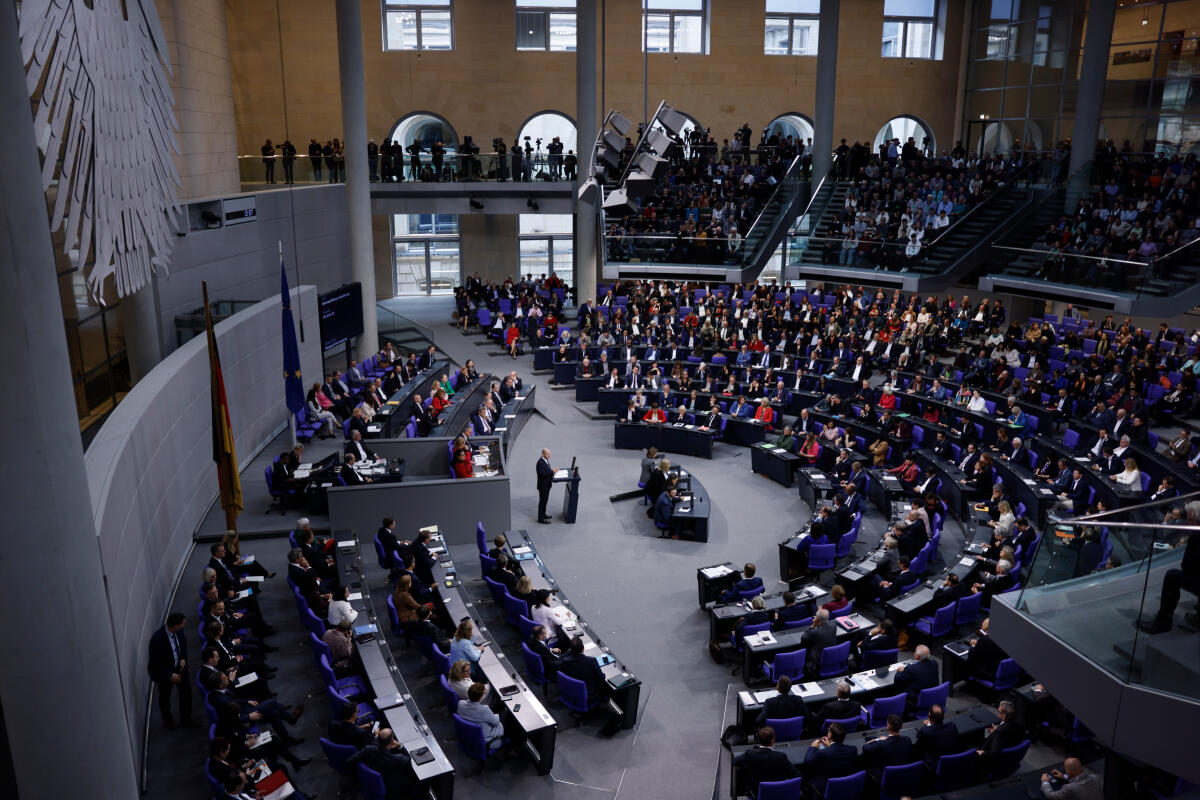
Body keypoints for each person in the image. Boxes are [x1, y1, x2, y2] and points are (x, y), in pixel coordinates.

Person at [1136, 500, 1200, 633]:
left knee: (1172, 576)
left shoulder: (1196, 536)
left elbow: (1187, 567)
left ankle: (1163, 622)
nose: (1187, 521)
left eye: (1189, 517)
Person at [148, 612, 195, 728]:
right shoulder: (157, 639)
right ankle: (168, 722)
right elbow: (155, 663)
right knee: (165, 697)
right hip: (165, 673)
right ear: (174, 625)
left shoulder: (179, 631)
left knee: (186, 694)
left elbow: (183, 645)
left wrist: (183, 658)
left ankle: (186, 719)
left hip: (180, 667)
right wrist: (169, 675)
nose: (183, 626)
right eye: (181, 624)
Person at [345, 728, 417, 799]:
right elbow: (408, 759)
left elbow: (349, 761)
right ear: (392, 741)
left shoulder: (368, 749)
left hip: (371, 784)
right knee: (413, 777)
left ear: (378, 740)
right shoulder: (398, 758)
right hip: (392, 789)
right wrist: (399, 745)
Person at [732, 726, 798, 798]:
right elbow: (796, 774)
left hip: (757, 792)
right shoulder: (781, 757)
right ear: (773, 740)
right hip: (779, 793)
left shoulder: (750, 754)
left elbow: (735, 761)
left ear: (759, 740)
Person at [803, 721, 859, 795]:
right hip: (846, 788)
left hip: (826, 789)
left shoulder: (823, 753)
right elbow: (837, 753)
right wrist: (831, 747)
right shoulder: (853, 750)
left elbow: (808, 761)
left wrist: (813, 747)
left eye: (828, 730)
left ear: (829, 735)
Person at [861, 714, 914, 779]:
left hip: (888, 777)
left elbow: (865, 747)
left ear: (888, 726)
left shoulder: (881, 744)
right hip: (905, 775)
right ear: (901, 726)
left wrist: (877, 739)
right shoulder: (907, 740)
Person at [457, 683, 505, 753]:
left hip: (469, 737)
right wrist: (496, 715)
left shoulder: (460, 703)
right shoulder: (484, 710)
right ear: (480, 698)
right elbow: (496, 722)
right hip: (487, 743)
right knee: (502, 720)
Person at [977, 700, 1025, 768]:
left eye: (999, 712)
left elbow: (993, 754)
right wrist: (997, 730)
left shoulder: (1000, 732)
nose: (998, 714)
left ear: (1004, 715)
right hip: (1009, 749)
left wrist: (982, 753)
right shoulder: (1020, 725)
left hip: (992, 760)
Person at [893, 644, 939, 712]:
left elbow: (897, 679)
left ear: (917, 656)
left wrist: (902, 670)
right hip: (931, 697)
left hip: (915, 700)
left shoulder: (911, 669)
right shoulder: (934, 663)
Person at [916, 704, 960, 770]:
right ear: (944, 716)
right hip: (953, 761)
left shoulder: (925, 731)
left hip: (935, 765)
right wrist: (929, 725)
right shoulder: (952, 726)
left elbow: (919, 738)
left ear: (929, 716)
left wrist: (928, 726)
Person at [801, 609, 837, 678]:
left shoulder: (814, 632)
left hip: (817, 660)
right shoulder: (833, 626)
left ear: (817, 619)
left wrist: (812, 626)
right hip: (831, 656)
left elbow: (803, 640)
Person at [536, 448, 554, 523]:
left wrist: (552, 472)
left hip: (547, 485)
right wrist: (552, 471)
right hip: (543, 486)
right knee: (542, 502)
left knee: (545, 501)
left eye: (549, 454)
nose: (549, 455)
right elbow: (542, 474)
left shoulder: (545, 461)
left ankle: (543, 514)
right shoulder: (540, 462)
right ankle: (541, 518)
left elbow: (547, 471)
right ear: (543, 454)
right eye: (547, 454)